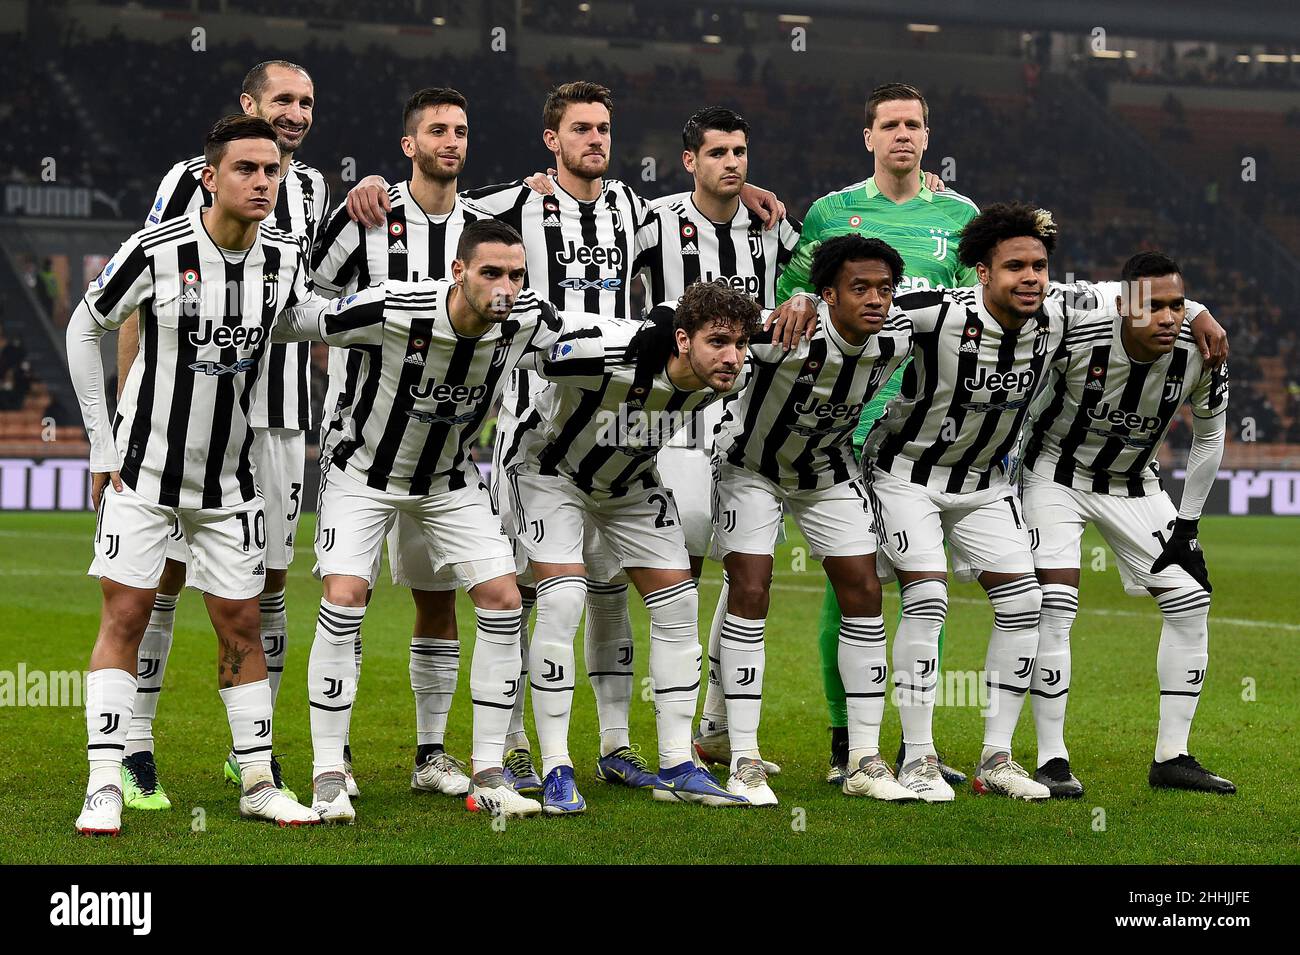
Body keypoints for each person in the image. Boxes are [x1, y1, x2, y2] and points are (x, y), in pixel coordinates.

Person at [66, 115, 324, 834]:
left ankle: (258, 781)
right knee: (126, 614)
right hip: (143, 475)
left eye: (272, 170)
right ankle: (104, 782)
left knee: (240, 621)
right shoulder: (159, 247)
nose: (263, 182)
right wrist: (100, 442)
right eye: (246, 169)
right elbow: (83, 326)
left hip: (230, 482)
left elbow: (311, 321)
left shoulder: (282, 259)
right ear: (209, 177)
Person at [292, 219, 595, 822]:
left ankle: (487, 771)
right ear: (458, 272)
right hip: (363, 475)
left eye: (515, 274)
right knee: (346, 595)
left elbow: (587, 340)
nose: (505, 288)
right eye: (491, 273)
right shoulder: (394, 304)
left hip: (449, 481)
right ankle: (328, 770)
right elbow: (300, 319)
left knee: (504, 599)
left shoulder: (530, 319)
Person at [770, 82, 980, 785]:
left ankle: (917, 742)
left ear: (927, 135)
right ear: (869, 137)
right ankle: (844, 740)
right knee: (848, 582)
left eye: (913, 124)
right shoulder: (833, 212)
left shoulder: (960, 214)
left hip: (925, 430)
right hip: (846, 420)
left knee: (925, 584)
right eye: (889, 123)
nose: (902, 134)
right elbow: (790, 297)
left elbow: (977, 318)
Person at [507, 281, 785, 811]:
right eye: (719, 343)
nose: (734, 358)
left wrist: (806, 302)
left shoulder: (733, 369)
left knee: (679, 605)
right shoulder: (606, 352)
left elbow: (789, 326)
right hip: (550, 475)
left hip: (631, 483)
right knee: (562, 601)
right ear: (682, 340)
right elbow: (526, 337)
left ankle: (679, 762)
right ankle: (554, 765)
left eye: (741, 345)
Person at [311, 86, 489, 799]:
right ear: (409, 145)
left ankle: (432, 754)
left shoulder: (486, 227)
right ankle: (336, 753)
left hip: (444, 452)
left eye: (462, 130)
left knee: (436, 597)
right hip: (362, 438)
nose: (452, 141)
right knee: (346, 593)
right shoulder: (366, 217)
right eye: (437, 130)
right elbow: (304, 299)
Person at [710, 234, 918, 804]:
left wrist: (1194, 306)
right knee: (751, 587)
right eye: (860, 288)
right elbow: (712, 337)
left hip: (827, 472)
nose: (876, 299)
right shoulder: (784, 337)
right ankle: (744, 758)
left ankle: (864, 761)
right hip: (750, 465)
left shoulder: (899, 332)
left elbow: (972, 304)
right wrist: (788, 301)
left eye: (884, 288)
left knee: (864, 589)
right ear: (828, 294)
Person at [1019, 251, 1234, 796]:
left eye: (1177, 306)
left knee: (1191, 599)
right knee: (1056, 603)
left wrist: (1188, 524)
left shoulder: (1202, 352)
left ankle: (1173, 756)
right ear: (1122, 306)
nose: (1167, 317)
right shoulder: (1082, 322)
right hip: (1055, 476)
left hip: (1135, 482)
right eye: (1153, 306)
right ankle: (1051, 758)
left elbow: (1209, 437)